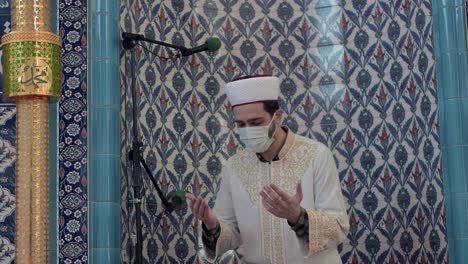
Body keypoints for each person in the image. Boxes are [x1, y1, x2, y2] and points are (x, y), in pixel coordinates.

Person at [187, 75, 349, 263]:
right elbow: (231, 234)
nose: (247, 130)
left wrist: (296, 216)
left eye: (256, 123)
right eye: (241, 124)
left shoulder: (317, 155)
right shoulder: (234, 166)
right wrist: (211, 224)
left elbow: (338, 227)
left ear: (277, 117)